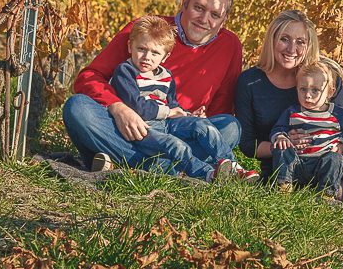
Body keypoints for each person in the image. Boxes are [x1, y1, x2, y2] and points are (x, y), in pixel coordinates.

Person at [235, 10, 343, 216]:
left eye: (300, 41)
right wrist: (281, 144)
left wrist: (336, 149)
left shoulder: (325, 77)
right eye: (284, 39)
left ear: (309, 45)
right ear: (272, 40)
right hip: (290, 164)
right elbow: (248, 145)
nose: (292, 48)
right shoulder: (250, 82)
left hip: (334, 156)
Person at [63, 0, 244, 173]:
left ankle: (129, 161)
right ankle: (172, 167)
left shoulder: (230, 46)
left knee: (231, 127)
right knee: (77, 107)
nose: (204, 19)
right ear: (184, 2)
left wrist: (202, 117)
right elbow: (89, 76)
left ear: (224, 20)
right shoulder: (147, 31)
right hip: (132, 127)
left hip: (180, 127)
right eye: (198, 8)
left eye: (215, 15)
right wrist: (119, 108)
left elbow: (221, 109)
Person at [107, 15, 252, 182]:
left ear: (165, 57)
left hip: (168, 123)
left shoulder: (165, 75)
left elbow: (173, 104)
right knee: (176, 145)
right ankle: (209, 174)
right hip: (144, 128)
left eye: (155, 52)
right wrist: (169, 112)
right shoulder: (125, 71)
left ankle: (231, 165)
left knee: (203, 126)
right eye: (141, 49)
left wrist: (187, 115)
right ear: (130, 47)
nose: (147, 57)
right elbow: (138, 107)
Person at [270, 61, 343, 196]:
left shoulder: (339, 114)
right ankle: (283, 185)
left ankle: (326, 193)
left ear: (330, 92)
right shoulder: (292, 112)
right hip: (296, 164)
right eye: (303, 89)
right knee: (282, 149)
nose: (308, 95)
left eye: (315, 90)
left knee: (335, 159)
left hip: (323, 164)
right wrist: (281, 136)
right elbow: (278, 128)